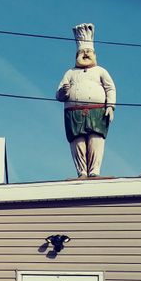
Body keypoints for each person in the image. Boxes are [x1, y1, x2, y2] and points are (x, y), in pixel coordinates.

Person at [56, 23, 116, 178]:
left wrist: (110, 106)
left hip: (97, 112)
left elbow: (110, 88)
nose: (85, 54)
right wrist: (64, 91)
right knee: (78, 141)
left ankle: (94, 171)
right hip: (73, 114)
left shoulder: (100, 71)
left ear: (94, 53)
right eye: (82, 52)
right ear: (77, 54)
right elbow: (59, 95)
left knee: (95, 139)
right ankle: (81, 172)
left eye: (88, 51)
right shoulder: (70, 73)